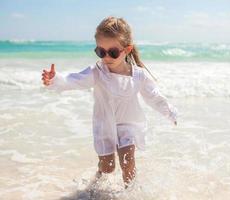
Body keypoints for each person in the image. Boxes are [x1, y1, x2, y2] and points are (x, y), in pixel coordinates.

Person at [41, 16, 178, 188]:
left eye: (113, 52)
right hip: (104, 125)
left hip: (128, 125)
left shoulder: (138, 75)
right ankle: (95, 183)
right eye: (101, 52)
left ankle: (131, 193)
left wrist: (170, 112)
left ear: (127, 49)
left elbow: (153, 96)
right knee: (108, 167)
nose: (106, 57)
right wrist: (55, 79)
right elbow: (74, 79)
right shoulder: (97, 72)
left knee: (128, 163)